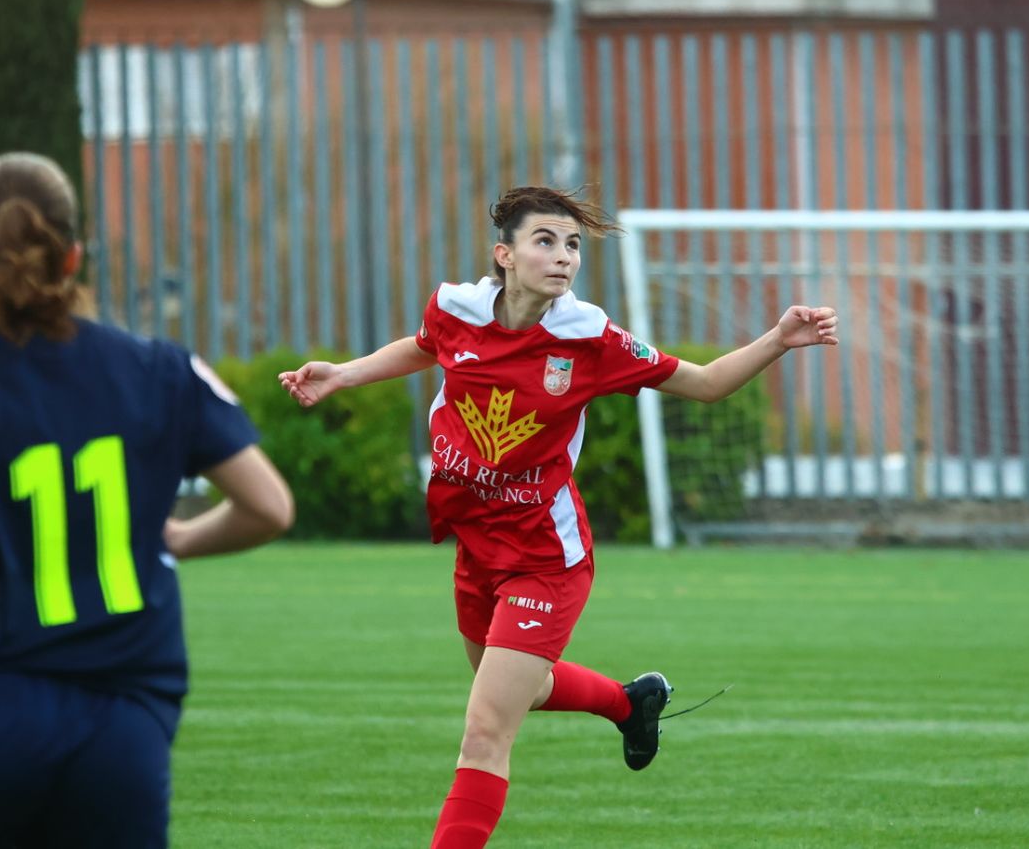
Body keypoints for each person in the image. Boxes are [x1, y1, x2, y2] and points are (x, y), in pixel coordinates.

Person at [279, 185, 839, 848]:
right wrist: (343, 373)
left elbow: (707, 382)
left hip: (547, 558)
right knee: (529, 686)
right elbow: (426, 344)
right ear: (504, 254)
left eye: (573, 245)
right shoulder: (455, 307)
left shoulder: (587, 336)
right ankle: (631, 704)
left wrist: (778, 338)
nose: (564, 256)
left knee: (486, 729)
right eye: (545, 240)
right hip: (475, 547)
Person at [0, 152, 295, 849]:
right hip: (125, 721)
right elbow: (269, 506)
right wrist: (180, 538)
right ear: (74, 256)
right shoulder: (162, 371)